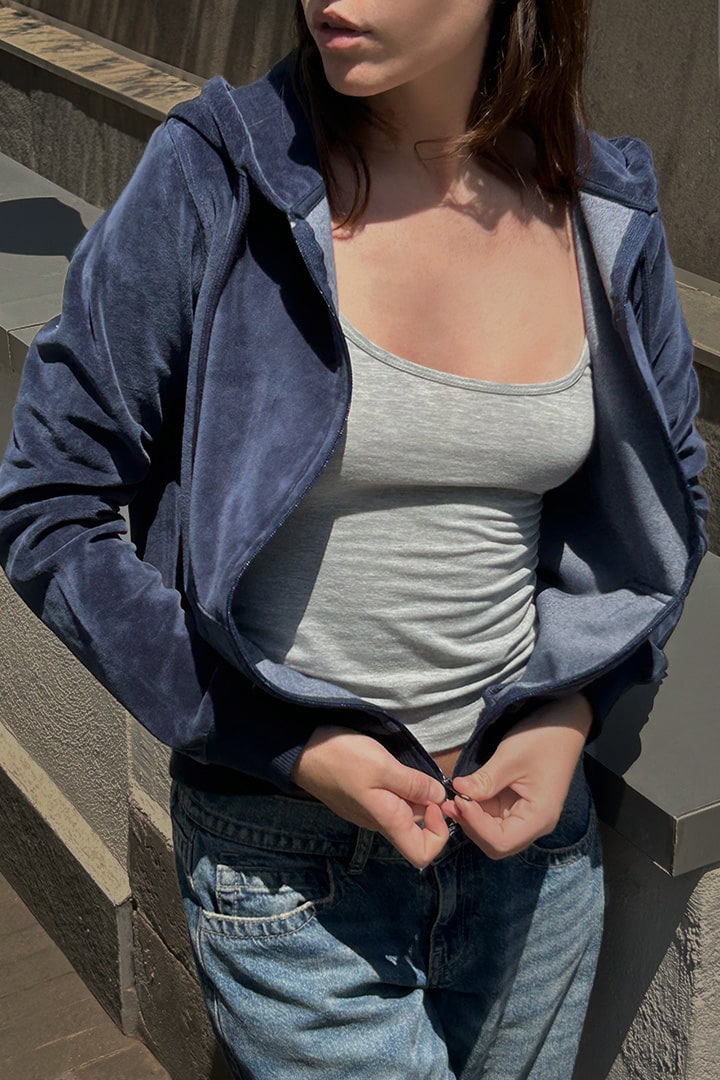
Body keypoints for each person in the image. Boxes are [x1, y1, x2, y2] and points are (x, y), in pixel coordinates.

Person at [0, 1, 708, 1077]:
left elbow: (665, 507)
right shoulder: (218, 177)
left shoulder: (602, 208)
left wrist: (575, 707)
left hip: (533, 856)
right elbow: (52, 501)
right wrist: (281, 741)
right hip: (285, 862)